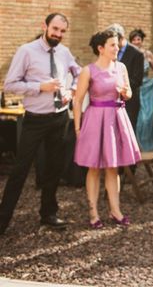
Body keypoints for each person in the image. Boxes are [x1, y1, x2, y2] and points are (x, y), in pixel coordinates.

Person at [0, 13, 80, 235]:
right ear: (45, 26)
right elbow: (10, 85)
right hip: (35, 120)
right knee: (20, 170)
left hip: (59, 117)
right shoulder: (26, 51)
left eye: (63, 31)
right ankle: (2, 220)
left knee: (54, 168)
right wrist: (39, 87)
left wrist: (71, 90)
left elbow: (78, 72)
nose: (58, 34)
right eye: (55, 29)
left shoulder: (64, 52)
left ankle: (48, 214)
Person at [73, 29, 141, 228]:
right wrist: (77, 128)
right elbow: (77, 101)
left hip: (116, 119)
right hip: (95, 119)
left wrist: (124, 91)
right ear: (100, 48)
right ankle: (93, 213)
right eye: (112, 45)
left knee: (113, 168)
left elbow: (128, 93)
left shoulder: (121, 68)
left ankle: (115, 210)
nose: (117, 47)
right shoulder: (89, 70)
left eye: (117, 44)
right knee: (94, 168)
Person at [129, 29, 153, 151]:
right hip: (133, 88)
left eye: (138, 39)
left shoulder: (147, 54)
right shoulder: (128, 55)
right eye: (133, 40)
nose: (136, 41)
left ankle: (146, 144)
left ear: (141, 41)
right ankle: (133, 145)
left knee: (145, 117)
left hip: (146, 88)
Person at [107, 24, 145, 134]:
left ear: (121, 37)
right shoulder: (110, 51)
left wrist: (118, 87)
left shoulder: (137, 54)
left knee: (127, 132)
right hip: (111, 101)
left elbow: (137, 80)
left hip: (130, 102)